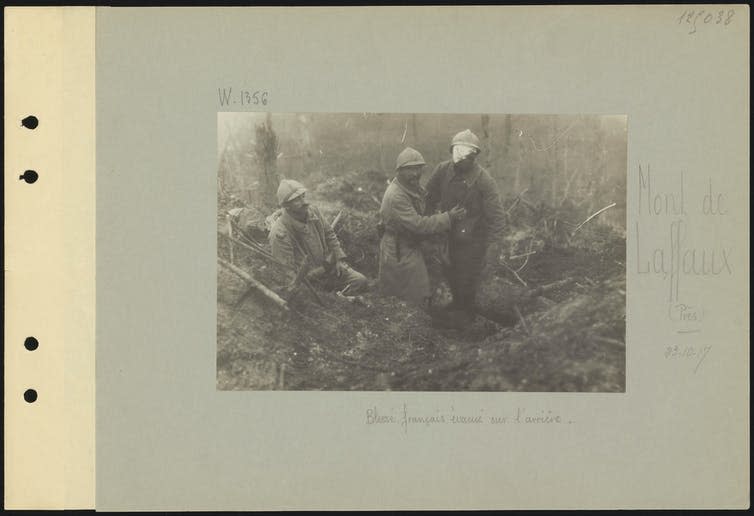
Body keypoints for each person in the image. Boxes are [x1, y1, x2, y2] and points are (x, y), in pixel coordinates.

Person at [425, 129, 507, 325]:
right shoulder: (442, 171)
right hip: (447, 234)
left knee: (466, 280)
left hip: (473, 241)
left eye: (466, 153)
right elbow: (427, 198)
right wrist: (429, 223)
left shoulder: (484, 180)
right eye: (457, 151)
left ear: (475, 155)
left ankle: (467, 318)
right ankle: (455, 308)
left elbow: (497, 218)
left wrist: (494, 249)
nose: (460, 157)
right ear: (452, 151)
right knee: (449, 273)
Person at [378, 147, 466, 307]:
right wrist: (448, 217)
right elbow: (418, 224)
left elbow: (424, 204)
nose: (416, 174)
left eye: (418, 169)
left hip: (409, 242)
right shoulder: (396, 195)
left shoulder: (411, 186)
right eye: (411, 169)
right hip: (399, 248)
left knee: (418, 287)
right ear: (400, 171)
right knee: (407, 295)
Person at [269, 179, 368, 294]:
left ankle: (339, 298)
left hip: (328, 269)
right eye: (297, 200)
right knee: (317, 298)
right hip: (308, 282)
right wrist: (306, 282)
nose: (304, 202)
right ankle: (335, 300)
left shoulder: (313, 211)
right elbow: (287, 272)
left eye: (303, 196)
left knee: (360, 281)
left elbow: (329, 234)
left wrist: (339, 259)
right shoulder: (280, 233)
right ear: (287, 206)